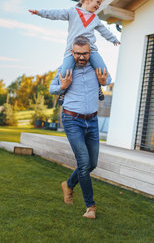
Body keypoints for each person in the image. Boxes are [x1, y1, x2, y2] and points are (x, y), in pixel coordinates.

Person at [49, 35, 111, 219]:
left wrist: (103, 81)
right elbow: (52, 88)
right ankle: (90, 207)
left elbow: (108, 79)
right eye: (77, 54)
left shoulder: (96, 68)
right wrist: (63, 85)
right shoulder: (65, 69)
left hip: (92, 121)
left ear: (90, 52)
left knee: (92, 164)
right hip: (71, 120)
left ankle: (68, 184)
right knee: (84, 163)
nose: (81, 57)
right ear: (72, 52)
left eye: (84, 54)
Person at [29, 0, 119, 103]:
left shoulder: (95, 19)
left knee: (102, 70)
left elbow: (104, 30)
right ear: (87, 0)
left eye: (100, 4)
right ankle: (63, 93)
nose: (98, 5)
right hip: (72, 50)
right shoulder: (73, 12)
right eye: (97, 2)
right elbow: (56, 14)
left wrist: (114, 39)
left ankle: (98, 88)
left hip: (90, 50)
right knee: (65, 73)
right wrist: (39, 12)